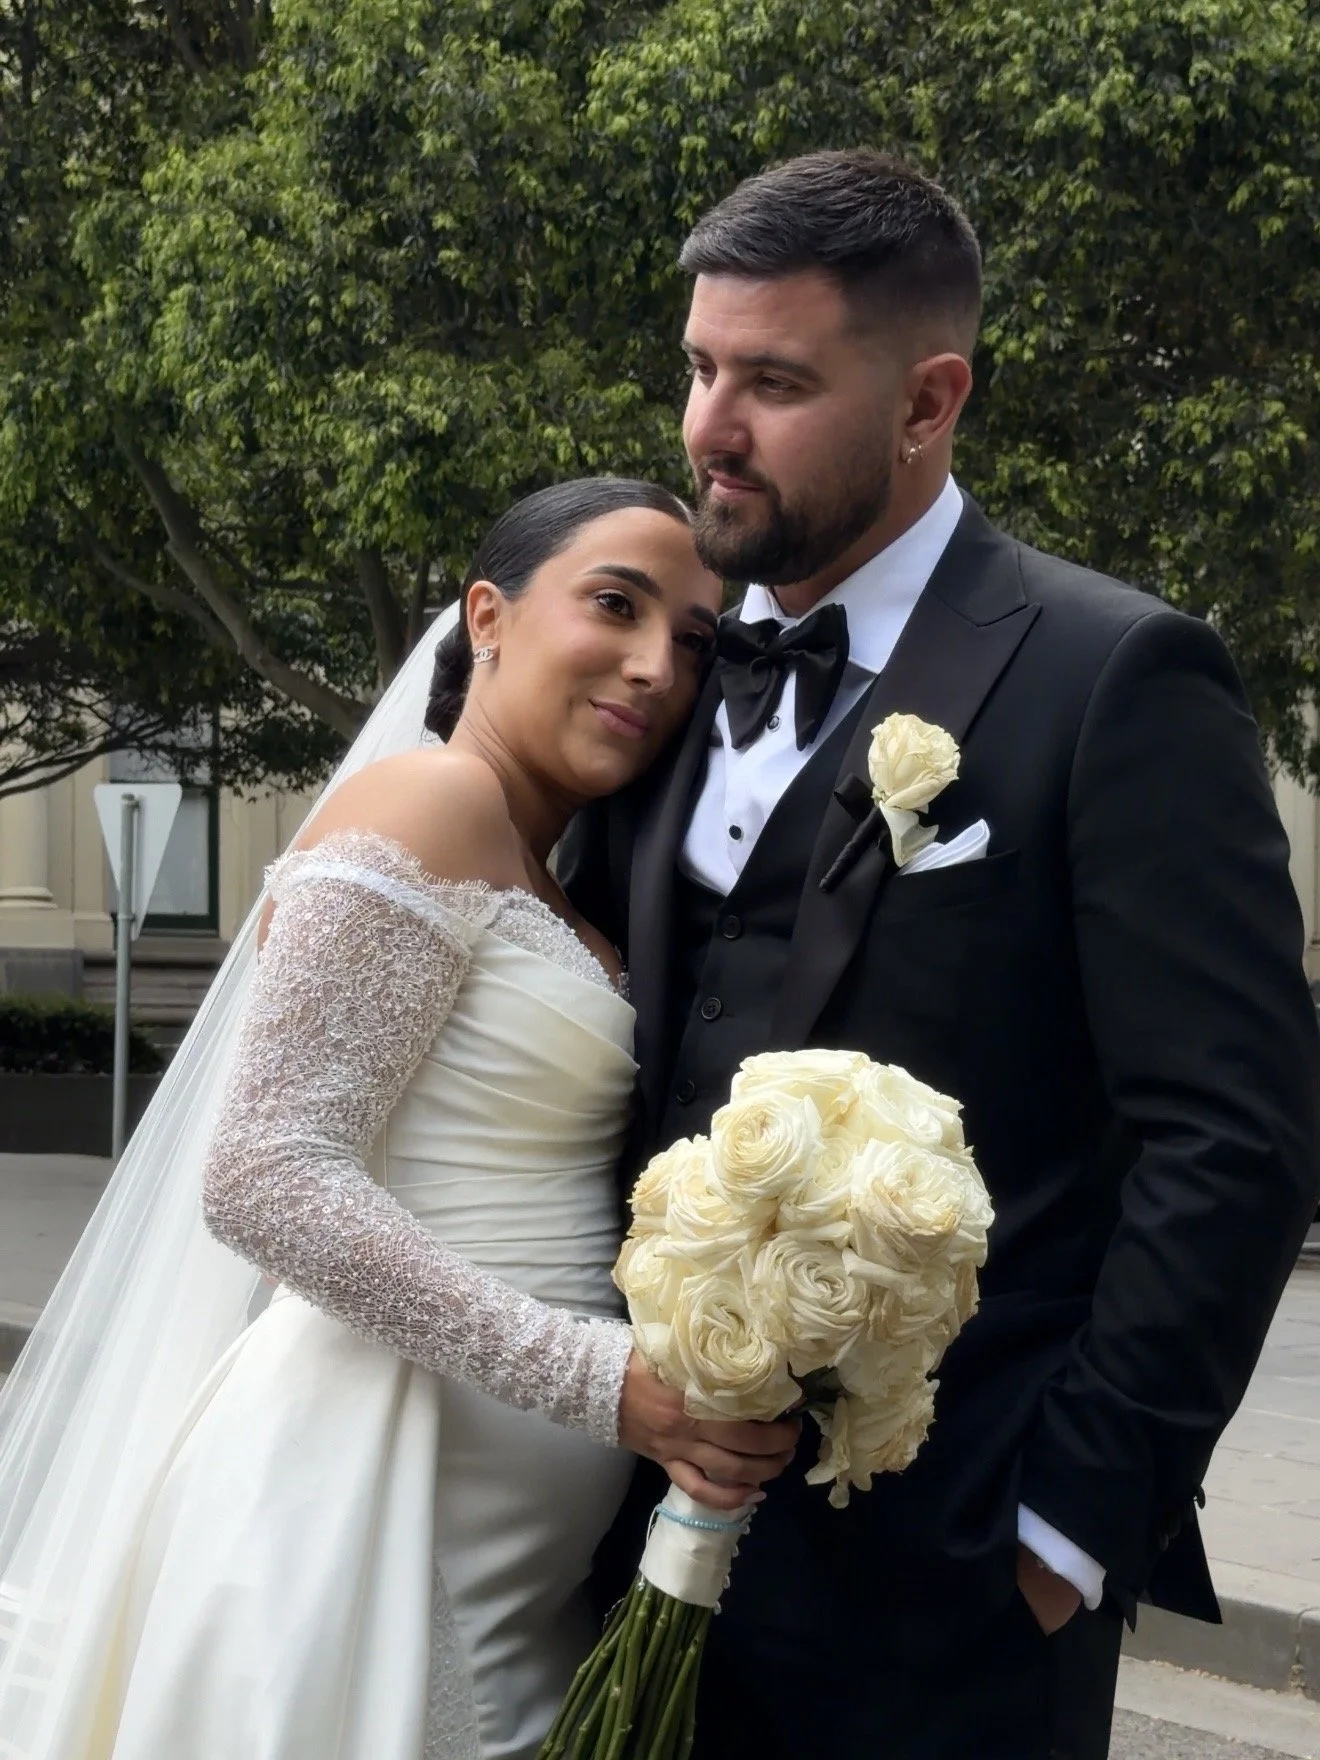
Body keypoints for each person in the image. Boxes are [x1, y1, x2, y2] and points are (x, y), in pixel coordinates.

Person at [560, 150, 1320, 1759]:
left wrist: (1064, 1529)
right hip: (613, 1516)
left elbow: (1236, 1134)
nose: (710, 426)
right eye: (701, 368)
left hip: (955, 1578)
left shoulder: (1122, 675)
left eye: (773, 381)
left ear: (929, 400)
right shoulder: (671, 663)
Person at [0, 476, 800, 1760]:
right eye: (616, 605)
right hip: (359, 1508)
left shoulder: (557, 872)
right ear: (489, 613)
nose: (658, 666)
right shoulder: (431, 803)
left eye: (696, 643)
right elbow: (263, 1173)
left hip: (497, 1554)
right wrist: (610, 1384)